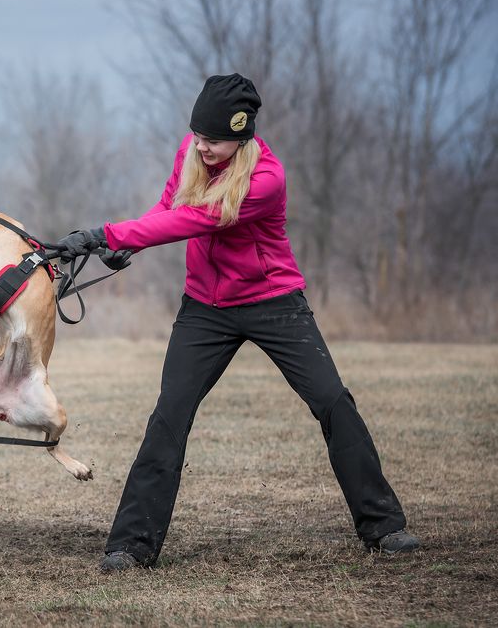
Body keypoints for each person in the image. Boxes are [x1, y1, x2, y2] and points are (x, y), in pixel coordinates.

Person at [57, 73, 418, 573]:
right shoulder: (193, 150)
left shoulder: (265, 179)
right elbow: (170, 208)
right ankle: (131, 546)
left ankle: (384, 527)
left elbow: (197, 218)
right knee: (170, 415)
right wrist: (124, 245)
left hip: (273, 301)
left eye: (214, 141)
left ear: (243, 136)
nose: (202, 148)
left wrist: (105, 233)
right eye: (198, 136)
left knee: (332, 400)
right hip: (205, 307)